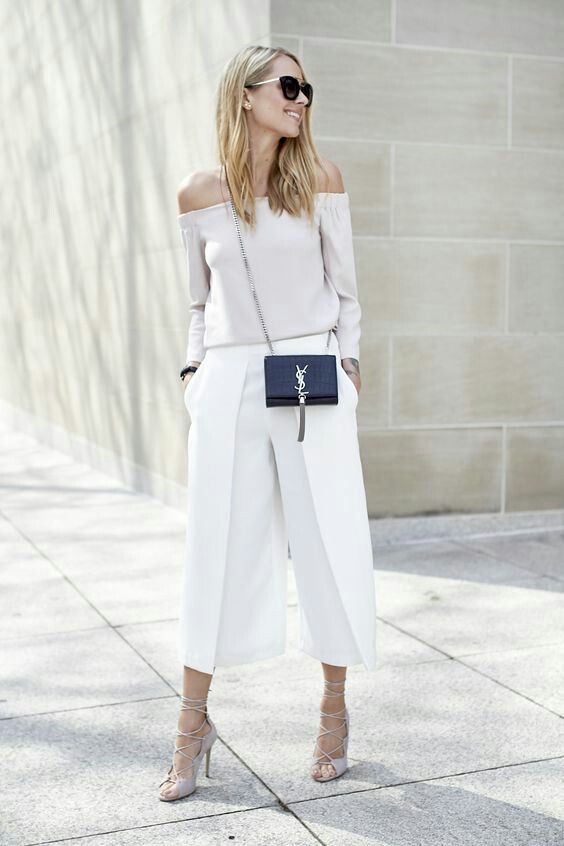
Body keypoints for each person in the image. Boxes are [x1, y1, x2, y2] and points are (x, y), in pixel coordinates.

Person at [158, 44, 377, 802]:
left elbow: (346, 292)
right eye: (288, 85)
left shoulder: (320, 180)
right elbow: (198, 302)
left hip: (311, 371)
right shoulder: (197, 193)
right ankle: (191, 725)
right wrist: (195, 375)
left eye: (307, 88)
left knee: (327, 537)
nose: (301, 99)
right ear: (245, 94)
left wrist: (348, 365)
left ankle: (334, 712)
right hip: (229, 379)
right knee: (213, 545)